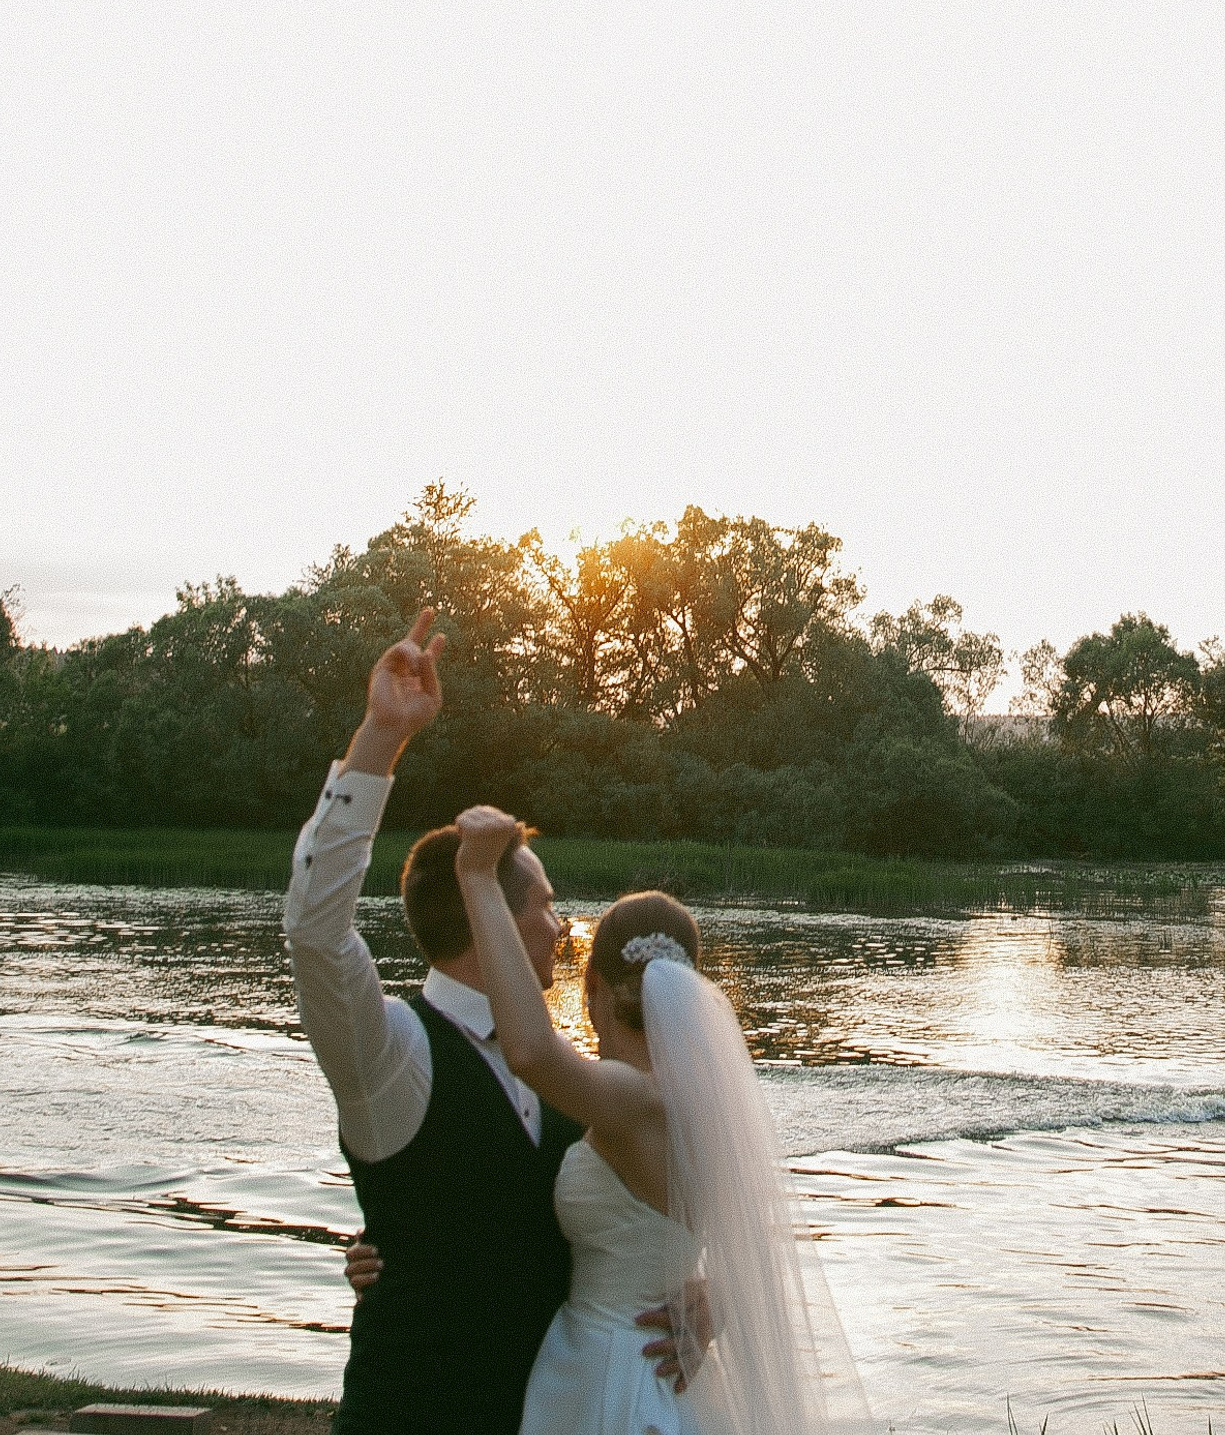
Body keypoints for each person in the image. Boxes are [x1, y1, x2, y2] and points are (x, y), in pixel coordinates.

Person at [284, 613, 686, 1435]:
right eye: (542, 905)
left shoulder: (569, 1067)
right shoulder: (393, 1053)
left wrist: (697, 1293)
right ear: (490, 918)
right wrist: (380, 738)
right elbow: (316, 932)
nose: (560, 927)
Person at [454, 807, 870, 1435]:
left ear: (591, 982)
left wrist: (478, 878)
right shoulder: (696, 1104)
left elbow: (532, 1051)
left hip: (612, 1368)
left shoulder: (635, 1098)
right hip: (657, 1368)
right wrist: (715, 1299)